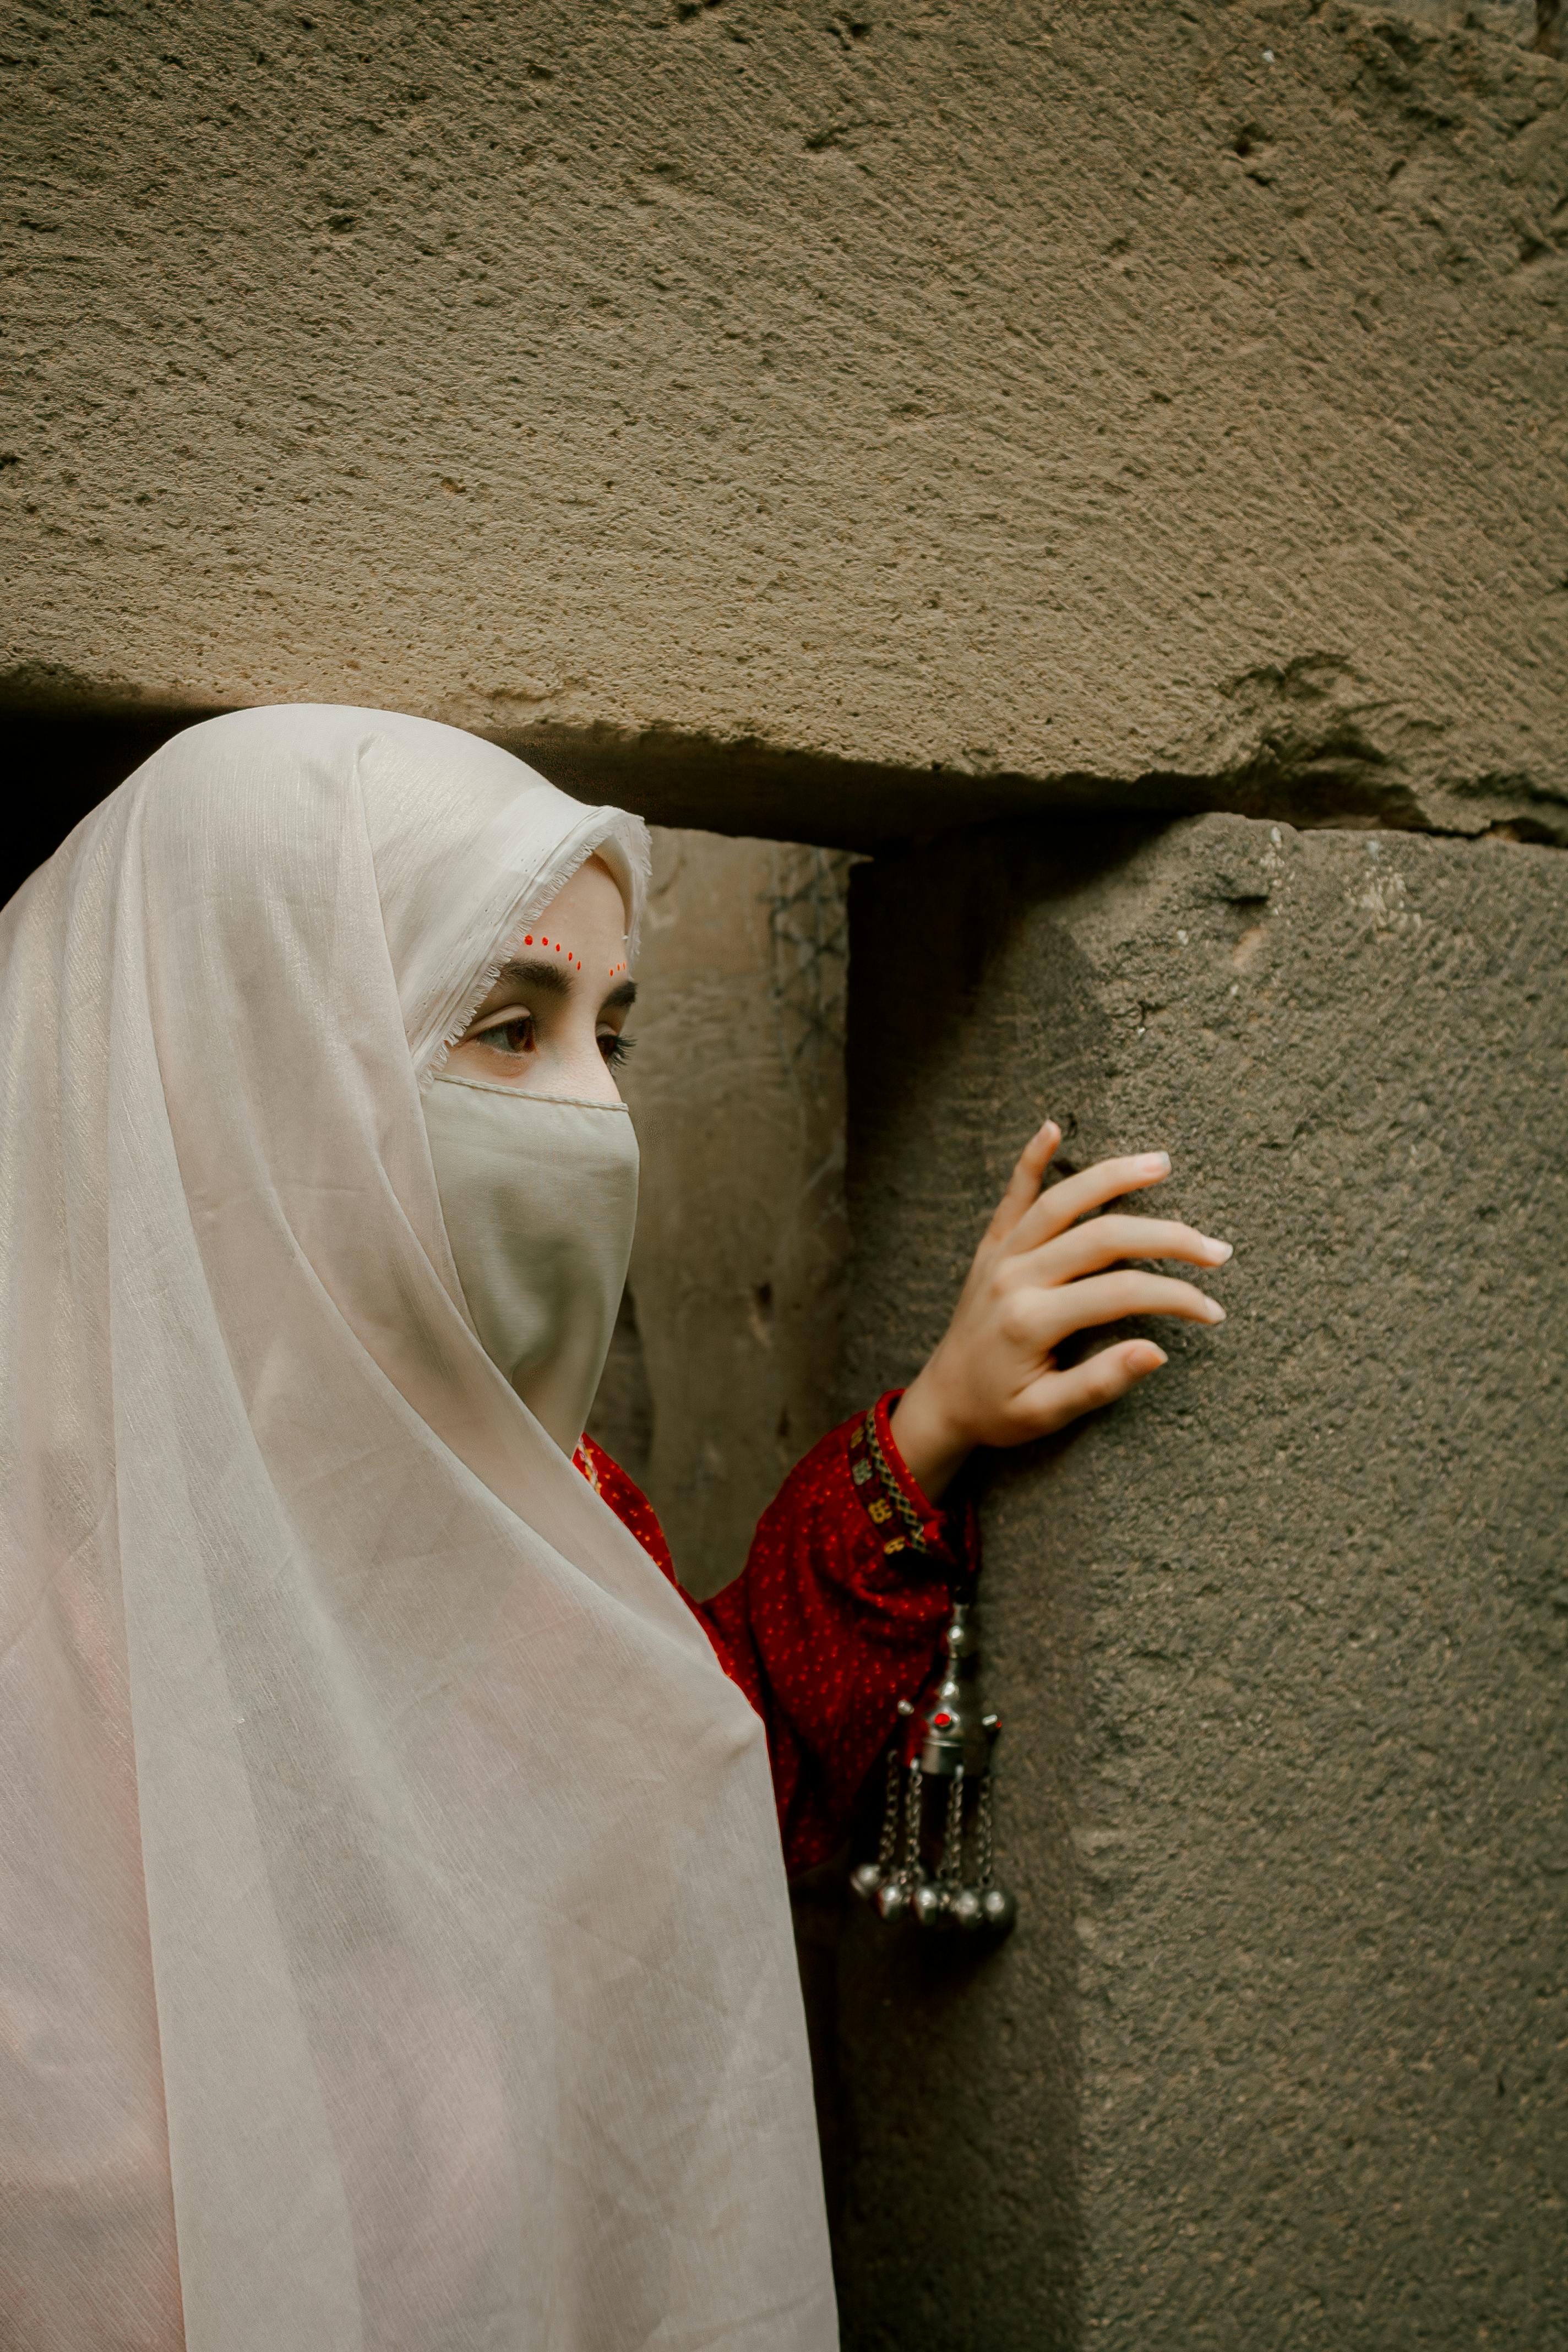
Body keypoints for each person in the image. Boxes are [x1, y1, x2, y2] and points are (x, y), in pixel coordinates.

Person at [0, 706, 1229, 2349]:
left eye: (612, 1034)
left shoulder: (535, 1505)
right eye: (507, 1025)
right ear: (273, 1057)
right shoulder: (43, 1597)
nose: (593, 1110)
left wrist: (933, 1424)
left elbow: (681, 1812)